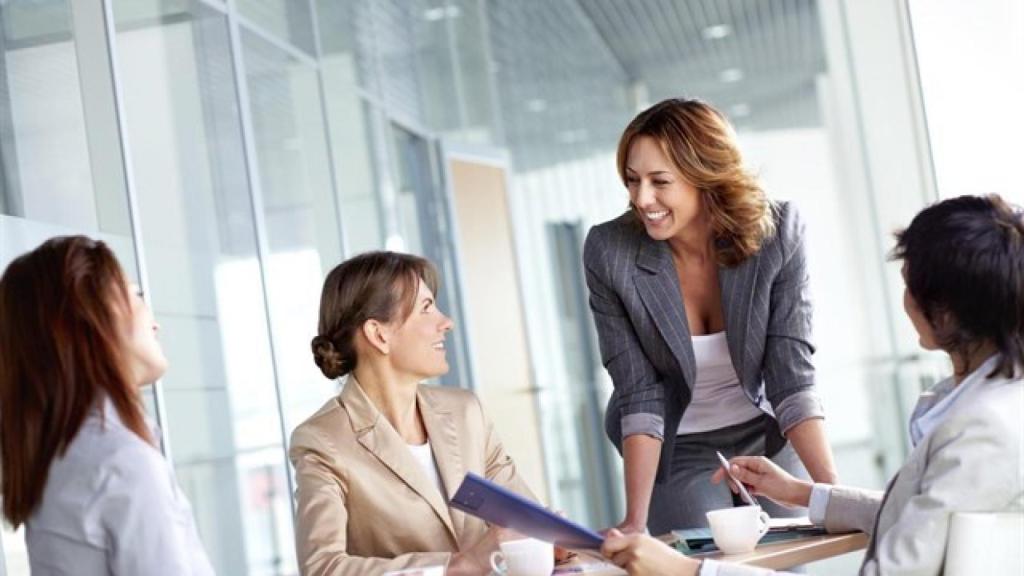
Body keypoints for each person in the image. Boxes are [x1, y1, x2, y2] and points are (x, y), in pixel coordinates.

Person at [600, 194, 1024, 575]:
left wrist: (689, 572)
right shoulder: (995, 405)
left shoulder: (982, 432)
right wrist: (805, 493)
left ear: (944, 313)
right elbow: (926, 517)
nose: (905, 301)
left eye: (908, 283)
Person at [583, 98, 837, 535]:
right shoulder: (610, 252)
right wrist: (635, 522)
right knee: (702, 558)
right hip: (677, 442)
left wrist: (834, 495)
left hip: (767, 431)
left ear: (706, 175)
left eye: (660, 181)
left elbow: (790, 373)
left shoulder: (777, 232)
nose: (642, 199)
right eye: (632, 180)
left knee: (787, 558)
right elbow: (638, 390)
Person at [290, 251, 554, 575]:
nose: (447, 322)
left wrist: (563, 541)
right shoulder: (323, 441)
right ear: (379, 334)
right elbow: (323, 568)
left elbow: (527, 525)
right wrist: (458, 566)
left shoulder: (466, 412)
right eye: (426, 308)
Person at [0, 236, 214, 575]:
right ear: (94, 314)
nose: (155, 322)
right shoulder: (121, 464)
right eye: (136, 294)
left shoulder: (58, 458)